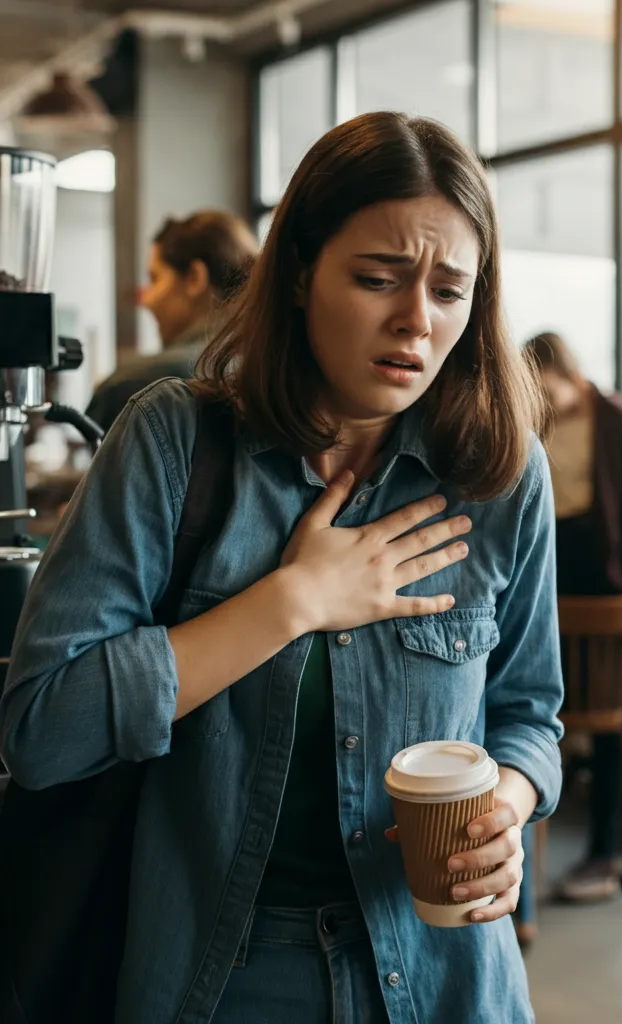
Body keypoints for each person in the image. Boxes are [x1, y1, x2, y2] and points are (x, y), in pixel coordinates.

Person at [0, 112, 564, 1024]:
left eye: (450, 291)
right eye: (378, 278)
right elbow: (41, 729)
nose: (416, 321)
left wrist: (509, 798)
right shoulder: (175, 444)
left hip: (446, 973)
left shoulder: (498, 473)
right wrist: (291, 602)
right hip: (224, 974)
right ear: (300, 271)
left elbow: (530, 711)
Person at [517, 332, 622, 918]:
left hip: (607, 574)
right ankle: (540, 864)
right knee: (537, 714)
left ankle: (607, 851)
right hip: (551, 567)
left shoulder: (614, 419)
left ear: (567, 373)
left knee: (609, 728)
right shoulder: (532, 420)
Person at [85, 210, 258, 432]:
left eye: (155, 278)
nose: (146, 299)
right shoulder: (267, 368)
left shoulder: (132, 386)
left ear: (195, 277)